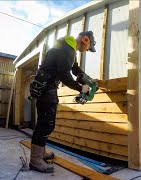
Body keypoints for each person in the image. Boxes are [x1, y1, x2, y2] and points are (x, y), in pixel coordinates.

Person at [29, 31, 96, 173]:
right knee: (46, 124)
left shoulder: (68, 48)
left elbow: (75, 69)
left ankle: (40, 153)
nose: (88, 50)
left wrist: (88, 79)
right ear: (85, 40)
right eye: (89, 46)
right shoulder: (67, 50)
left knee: (45, 123)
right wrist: (80, 88)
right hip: (47, 88)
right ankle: (35, 161)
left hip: (47, 87)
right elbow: (64, 75)